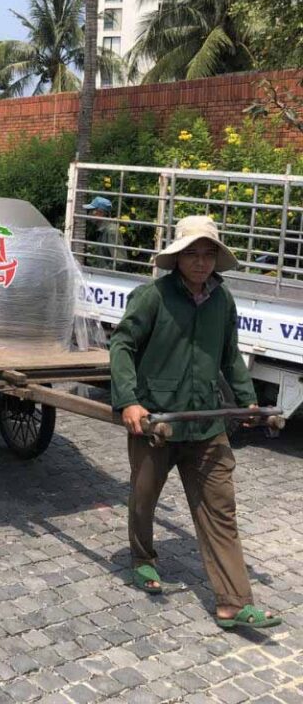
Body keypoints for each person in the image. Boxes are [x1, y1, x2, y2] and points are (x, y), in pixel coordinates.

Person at [110, 215, 281, 630]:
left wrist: (247, 399)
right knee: (144, 496)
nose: (201, 262)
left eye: (208, 254)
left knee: (220, 508)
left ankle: (233, 602)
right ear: (178, 258)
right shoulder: (153, 296)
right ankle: (143, 557)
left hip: (205, 421)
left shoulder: (223, 301)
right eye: (193, 254)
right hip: (158, 421)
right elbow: (122, 344)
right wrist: (129, 401)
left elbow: (229, 355)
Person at [86, 195, 127, 269]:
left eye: (91, 211)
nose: (89, 214)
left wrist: (103, 271)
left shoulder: (111, 231)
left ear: (100, 213)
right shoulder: (102, 230)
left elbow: (120, 261)